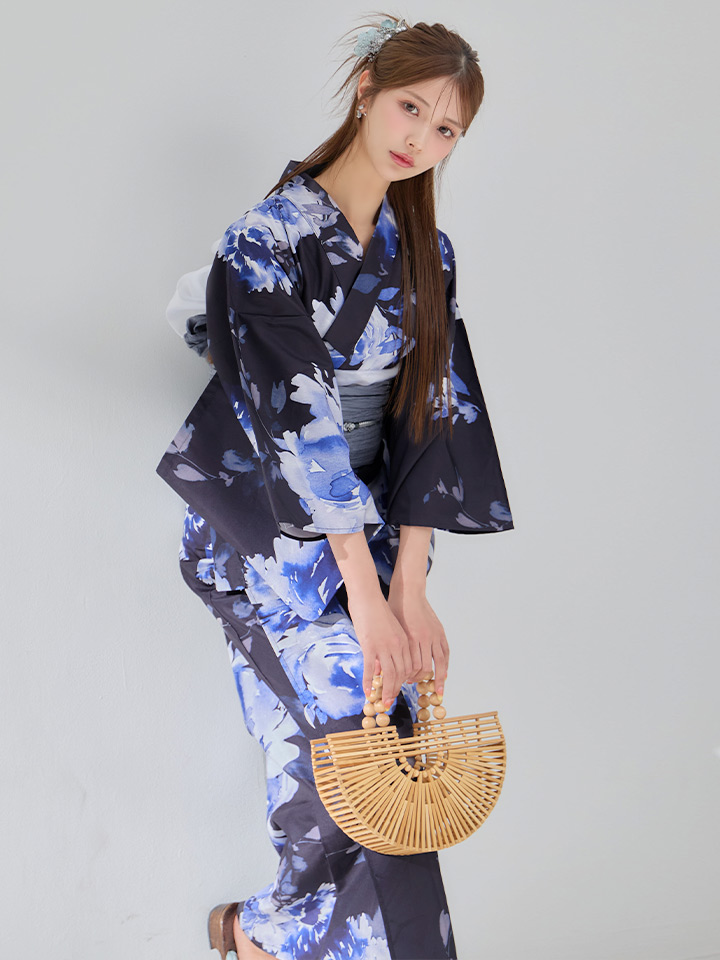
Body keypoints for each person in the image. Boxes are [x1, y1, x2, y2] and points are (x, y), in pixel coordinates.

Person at [157, 14, 513, 960]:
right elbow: (299, 420)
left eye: (446, 129)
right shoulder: (266, 237)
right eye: (411, 108)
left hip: (371, 529)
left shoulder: (426, 252)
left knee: (346, 753)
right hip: (262, 526)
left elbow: (433, 409)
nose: (421, 139)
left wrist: (411, 586)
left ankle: (262, 933)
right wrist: (365, 591)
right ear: (366, 88)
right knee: (367, 725)